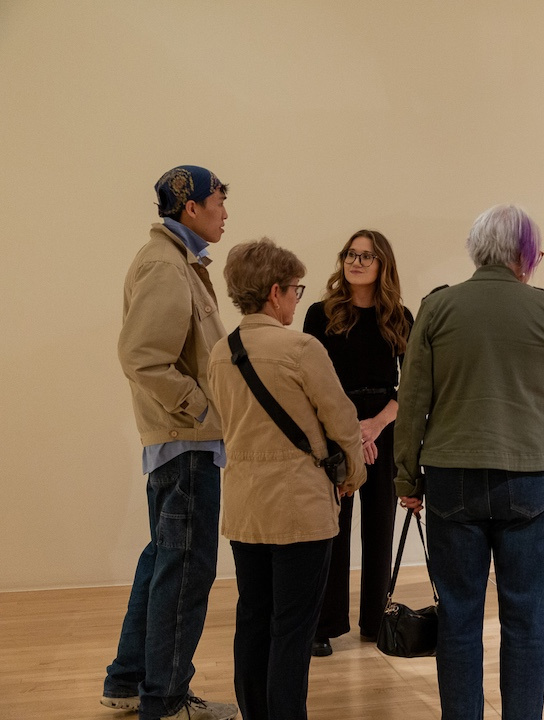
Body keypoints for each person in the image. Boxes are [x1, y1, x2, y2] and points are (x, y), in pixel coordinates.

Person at [394, 204, 544, 720]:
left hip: (451, 478)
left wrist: (406, 475)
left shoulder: (437, 309)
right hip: (529, 480)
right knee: (525, 617)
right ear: (525, 255)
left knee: (459, 617)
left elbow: (412, 398)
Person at [207, 238, 367, 720]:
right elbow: (342, 421)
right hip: (299, 508)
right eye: (296, 289)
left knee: (252, 618)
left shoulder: (220, 352)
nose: (298, 299)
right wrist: (353, 474)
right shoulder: (300, 348)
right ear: (275, 292)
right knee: (293, 628)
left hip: (244, 507)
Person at [105, 166, 238, 720]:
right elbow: (142, 356)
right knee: (186, 570)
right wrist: (204, 411)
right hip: (187, 448)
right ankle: (167, 700)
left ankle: (129, 684)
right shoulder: (166, 265)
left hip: (178, 447)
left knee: (163, 561)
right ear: (191, 209)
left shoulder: (176, 261)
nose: (225, 212)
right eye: (219, 202)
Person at [304, 230, 413, 656]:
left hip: (383, 431)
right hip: (335, 428)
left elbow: (416, 384)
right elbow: (310, 380)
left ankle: (375, 619)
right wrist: (352, 430)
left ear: (382, 264)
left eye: (366, 256)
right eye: (351, 254)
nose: (356, 261)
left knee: (380, 526)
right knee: (332, 528)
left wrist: (376, 425)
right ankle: (325, 624)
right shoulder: (320, 314)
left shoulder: (400, 318)